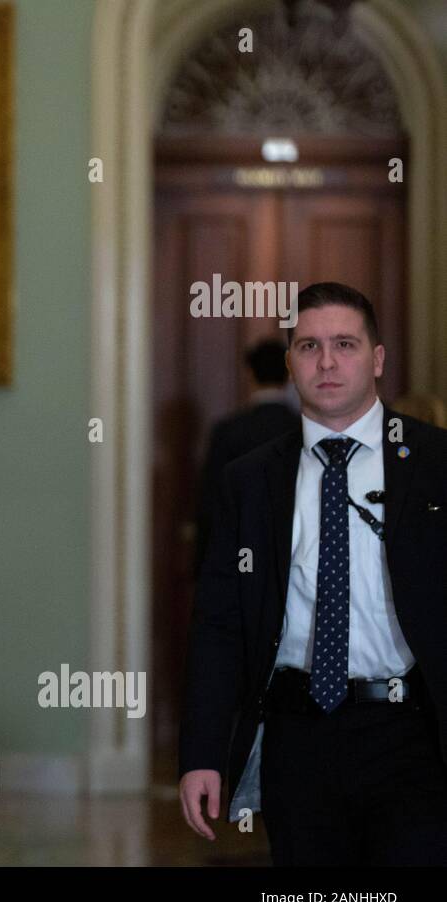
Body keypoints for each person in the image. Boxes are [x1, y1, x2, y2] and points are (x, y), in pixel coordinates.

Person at [179, 281, 447, 864]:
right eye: (308, 347)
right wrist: (202, 753)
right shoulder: (249, 480)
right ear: (290, 363)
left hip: (411, 736)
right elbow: (218, 625)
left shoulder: (434, 463)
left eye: (345, 344)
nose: (326, 361)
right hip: (296, 737)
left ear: (377, 358)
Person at [193, 339, 298, 570]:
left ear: (249, 374)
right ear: (289, 374)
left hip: (237, 550)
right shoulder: (303, 428)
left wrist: (201, 561)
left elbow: (212, 499)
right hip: (295, 553)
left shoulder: (228, 430)